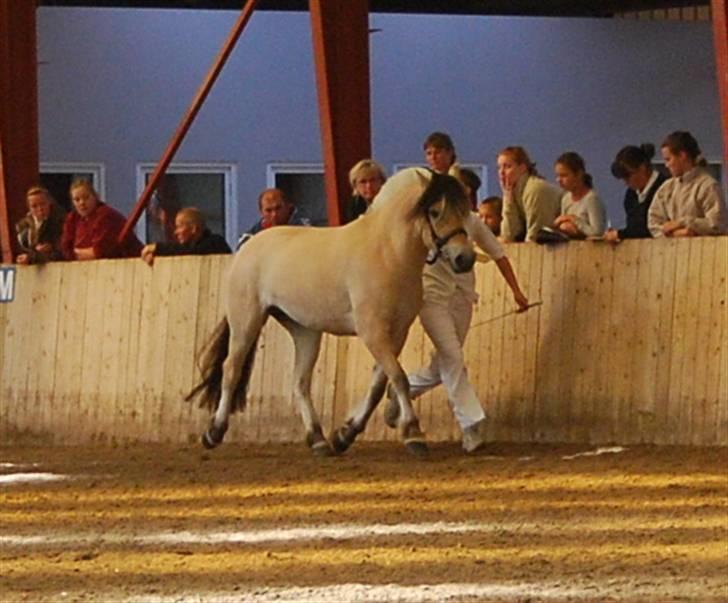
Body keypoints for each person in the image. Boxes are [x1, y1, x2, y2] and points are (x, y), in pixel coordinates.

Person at [384, 134, 530, 453]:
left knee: (443, 365)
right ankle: (471, 424)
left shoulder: (473, 222)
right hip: (431, 296)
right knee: (453, 357)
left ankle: (401, 390)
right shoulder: (427, 221)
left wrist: (517, 293)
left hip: (463, 297)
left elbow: (498, 254)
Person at [648, 131, 728, 237]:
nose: (666, 165)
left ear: (682, 155)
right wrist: (675, 234)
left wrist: (685, 223)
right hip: (670, 250)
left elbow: (717, 224)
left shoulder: (708, 186)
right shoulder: (666, 188)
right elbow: (653, 223)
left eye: (668, 159)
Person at [60, 179, 143, 261]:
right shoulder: (73, 219)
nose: (82, 203)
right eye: (77, 200)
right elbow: (65, 248)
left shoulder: (105, 215)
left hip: (132, 263)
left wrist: (73, 254)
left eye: (86, 197)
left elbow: (99, 252)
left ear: (96, 197)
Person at [605, 143, 668, 243]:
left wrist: (621, 234)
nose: (626, 182)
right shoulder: (630, 195)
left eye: (628, 176)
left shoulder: (666, 187)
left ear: (642, 168)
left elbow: (653, 228)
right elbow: (633, 227)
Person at [497, 146, 562, 243]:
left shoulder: (535, 189)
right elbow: (509, 235)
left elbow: (536, 234)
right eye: (499, 167)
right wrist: (508, 199)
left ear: (522, 168)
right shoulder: (512, 191)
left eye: (507, 167)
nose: (501, 172)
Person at [141, 207, 231, 266]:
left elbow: (192, 252)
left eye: (179, 227)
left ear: (193, 229)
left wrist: (157, 248)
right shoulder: (189, 246)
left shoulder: (215, 243)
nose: (176, 232)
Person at [552, 152, 607, 239]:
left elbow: (597, 232)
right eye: (558, 176)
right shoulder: (566, 199)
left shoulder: (591, 199)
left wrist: (573, 219)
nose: (559, 180)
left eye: (564, 175)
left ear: (578, 174)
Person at [236, 188, 310, 248]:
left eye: (278, 208)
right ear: (261, 212)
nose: (274, 214)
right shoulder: (250, 239)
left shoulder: (306, 230)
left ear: (288, 206)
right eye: (268, 210)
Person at [15, 186, 66, 265]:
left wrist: (33, 257)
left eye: (42, 204)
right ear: (29, 208)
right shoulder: (23, 228)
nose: (40, 209)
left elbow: (61, 251)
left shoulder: (59, 222)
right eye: (34, 206)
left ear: (49, 203)